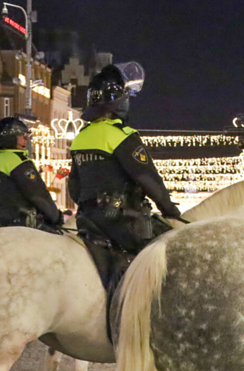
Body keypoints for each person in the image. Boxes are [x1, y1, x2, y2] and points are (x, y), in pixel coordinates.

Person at [68, 63, 181, 255]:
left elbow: (74, 186)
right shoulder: (123, 136)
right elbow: (148, 180)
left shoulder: (81, 137)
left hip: (87, 221)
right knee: (172, 250)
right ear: (120, 102)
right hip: (121, 222)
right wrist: (171, 212)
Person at [0, 117, 63, 232]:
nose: (26, 140)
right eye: (23, 136)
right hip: (23, 222)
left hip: (0, 222)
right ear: (11, 138)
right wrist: (55, 216)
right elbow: (38, 194)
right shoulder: (18, 160)